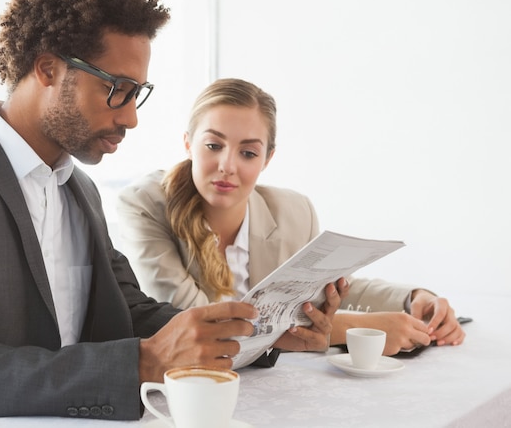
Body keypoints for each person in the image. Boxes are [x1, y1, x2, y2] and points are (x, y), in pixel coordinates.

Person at [0, 0, 348, 426]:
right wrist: (144, 361)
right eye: (117, 88)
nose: (130, 116)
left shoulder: (79, 189)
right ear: (48, 69)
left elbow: (129, 312)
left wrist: (252, 335)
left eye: (137, 93)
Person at [116, 77, 466, 357]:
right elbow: (194, 323)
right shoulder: (144, 203)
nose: (228, 166)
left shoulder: (293, 211)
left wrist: (413, 299)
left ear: (267, 160)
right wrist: (357, 329)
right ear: (188, 143)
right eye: (213, 145)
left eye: (248, 152)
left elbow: (329, 289)